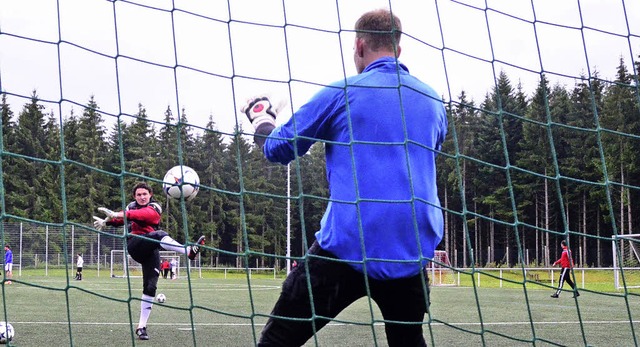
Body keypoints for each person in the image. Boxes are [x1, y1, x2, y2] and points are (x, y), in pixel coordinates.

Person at [242, 8, 447, 347]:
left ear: (359, 46)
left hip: (348, 244)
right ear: (398, 48)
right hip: (410, 246)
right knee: (407, 339)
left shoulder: (343, 93)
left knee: (278, 339)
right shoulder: (433, 100)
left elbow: (279, 149)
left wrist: (261, 120)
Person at [92, 181, 206, 341]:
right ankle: (188, 252)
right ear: (134, 196)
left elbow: (145, 215)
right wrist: (108, 221)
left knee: (151, 287)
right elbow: (121, 219)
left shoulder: (155, 208)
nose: (142, 197)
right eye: (138, 194)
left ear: (150, 195)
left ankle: (141, 327)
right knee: (159, 234)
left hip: (151, 250)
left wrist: (118, 214)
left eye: (144, 194)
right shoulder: (131, 207)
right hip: (135, 245)